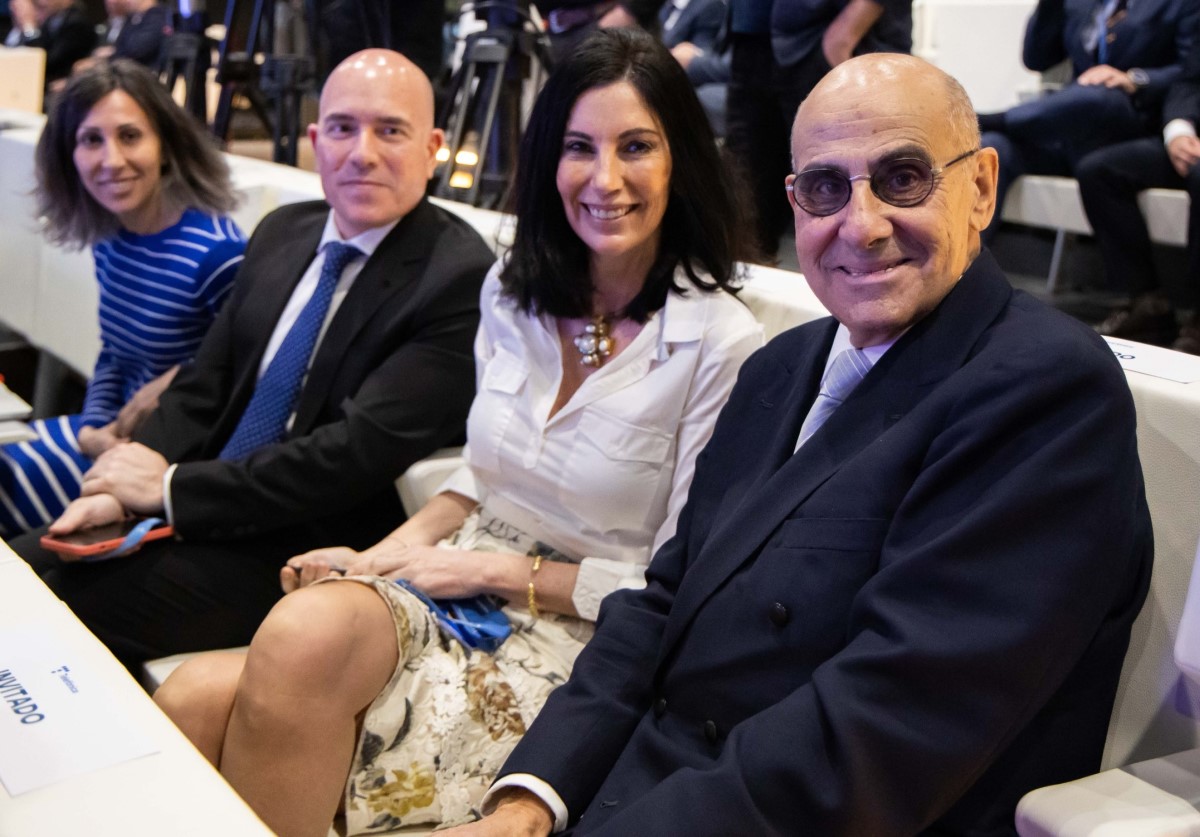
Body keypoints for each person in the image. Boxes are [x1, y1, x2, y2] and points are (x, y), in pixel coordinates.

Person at [446, 53, 1153, 837]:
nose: (862, 222)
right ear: (794, 205)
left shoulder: (1046, 389)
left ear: (981, 187)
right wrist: (529, 797)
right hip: (649, 788)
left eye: (903, 177)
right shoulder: (783, 365)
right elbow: (661, 603)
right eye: (825, 187)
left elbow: (884, 729)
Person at [153, 28, 763, 837]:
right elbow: (478, 474)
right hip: (456, 583)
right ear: (548, 160)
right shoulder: (513, 294)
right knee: (190, 696)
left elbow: (679, 591)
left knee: (287, 650)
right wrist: (379, 558)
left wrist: (489, 567)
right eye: (579, 147)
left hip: (585, 641)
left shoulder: (722, 343)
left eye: (637, 147)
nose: (605, 178)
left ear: (681, 158)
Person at [8, 49, 495, 673]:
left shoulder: (456, 278)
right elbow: (204, 381)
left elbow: (348, 457)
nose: (363, 153)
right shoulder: (284, 232)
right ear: (316, 142)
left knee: (42, 612)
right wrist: (135, 474)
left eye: (390, 131)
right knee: (17, 569)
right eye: (343, 128)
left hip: (306, 551)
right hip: (206, 503)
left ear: (432, 149)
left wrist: (165, 490)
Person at [0, 59, 244, 539]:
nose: (111, 160)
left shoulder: (218, 253)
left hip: (169, 465)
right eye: (91, 140)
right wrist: (94, 430)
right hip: (110, 440)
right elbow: (114, 353)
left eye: (130, 136)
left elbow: (240, 381)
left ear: (166, 146)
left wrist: (122, 440)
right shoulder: (113, 235)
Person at [979, 0, 1197, 240]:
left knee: (1099, 94)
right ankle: (962, 271)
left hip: (1133, 118)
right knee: (994, 147)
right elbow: (1036, 59)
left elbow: (1190, 73)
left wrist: (1133, 79)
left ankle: (985, 119)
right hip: (1073, 122)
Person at [725, 0, 913, 258]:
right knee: (751, 208)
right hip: (758, 37)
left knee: (849, 199)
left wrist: (843, 37)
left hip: (831, 36)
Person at [1077, 34, 1200, 352]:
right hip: (1192, 142)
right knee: (1099, 170)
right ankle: (1149, 307)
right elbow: (1189, 81)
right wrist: (1179, 130)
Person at [4, 0, 96, 88]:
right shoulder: (51, 21)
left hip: (61, 86)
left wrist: (29, 28)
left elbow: (46, 63)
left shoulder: (77, 23)